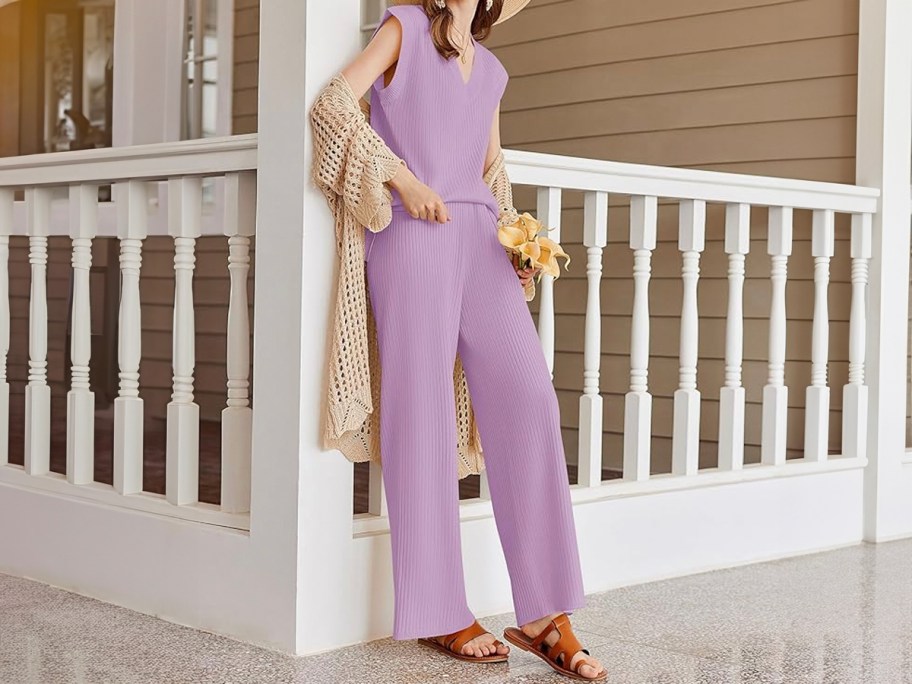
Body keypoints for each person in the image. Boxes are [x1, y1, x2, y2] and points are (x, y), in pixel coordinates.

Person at [334, 1, 607, 679]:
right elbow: (334, 106)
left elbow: (491, 171)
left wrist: (521, 242)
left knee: (528, 398)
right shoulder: (400, 28)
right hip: (412, 234)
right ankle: (439, 611)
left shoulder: (491, 71)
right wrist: (404, 180)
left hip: (483, 239)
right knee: (418, 412)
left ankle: (544, 613)